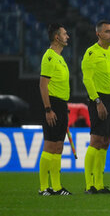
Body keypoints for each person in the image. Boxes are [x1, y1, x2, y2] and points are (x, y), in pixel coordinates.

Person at [81, 20, 110, 194]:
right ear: (98, 34)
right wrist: (97, 102)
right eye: (107, 31)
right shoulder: (91, 53)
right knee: (96, 140)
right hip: (99, 99)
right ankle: (90, 185)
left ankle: (100, 184)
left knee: (106, 141)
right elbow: (87, 80)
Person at [38, 23, 72, 195]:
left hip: (61, 105)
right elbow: (43, 85)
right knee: (49, 145)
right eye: (65, 34)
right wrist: (48, 109)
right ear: (57, 37)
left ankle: (57, 187)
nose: (68, 36)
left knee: (58, 146)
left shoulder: (60, 57)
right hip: (52, 104)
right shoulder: (49, 57)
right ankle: (44, 187)